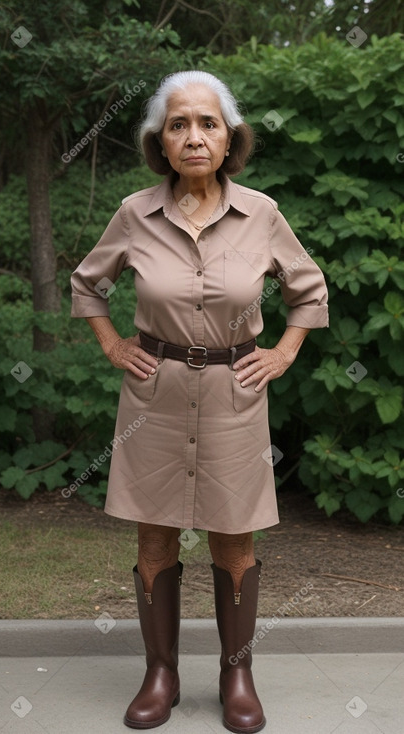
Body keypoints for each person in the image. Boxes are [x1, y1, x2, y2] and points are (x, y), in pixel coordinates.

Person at [70, 70, 328, 733]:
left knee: (232, 544)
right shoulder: (134, 213)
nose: (193, 136)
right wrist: (110, 345)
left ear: (229, 136)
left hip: (233, 397)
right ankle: (160, 674)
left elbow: (307, 289)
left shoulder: (262, 213)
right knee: (154, 539)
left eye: (207, 123)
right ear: (160, 139)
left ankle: (235, 675)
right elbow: (88, 284)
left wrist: (283, 353)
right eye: (179, 124)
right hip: (152, 398)